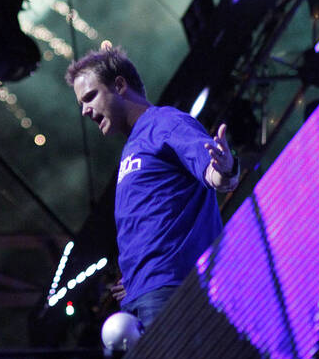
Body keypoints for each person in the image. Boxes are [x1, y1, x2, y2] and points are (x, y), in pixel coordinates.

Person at [65, 45, 239, 328]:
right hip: (142, 295)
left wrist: (225, 169)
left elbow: (214, 173)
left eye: (90, 96)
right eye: (81, 103)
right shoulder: (131, 148)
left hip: (173, 287)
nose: (85, 110)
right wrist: (135, 278)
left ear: (119, 85)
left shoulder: (164, 122)